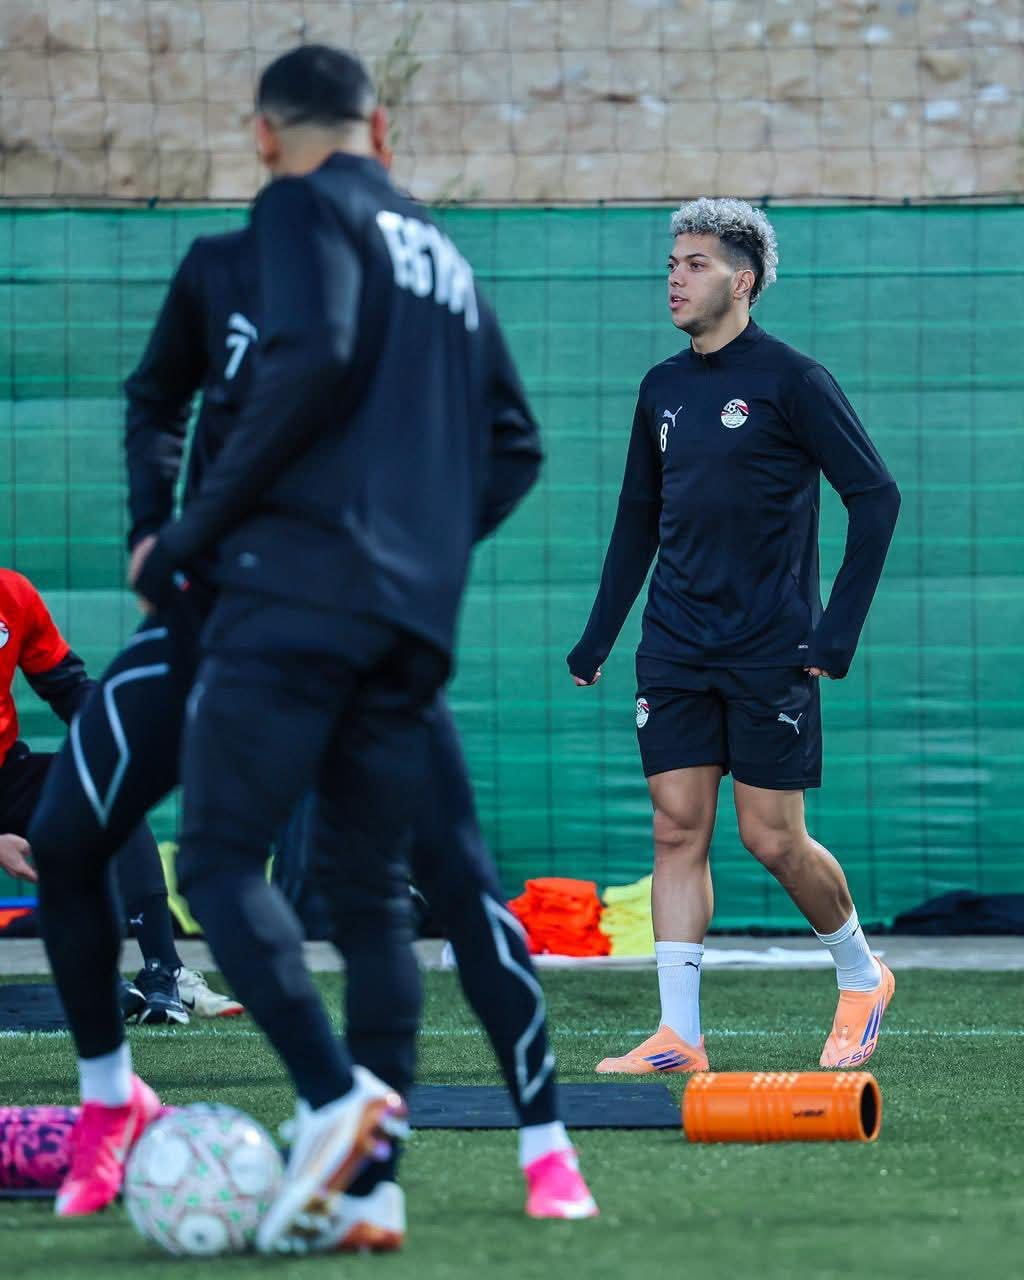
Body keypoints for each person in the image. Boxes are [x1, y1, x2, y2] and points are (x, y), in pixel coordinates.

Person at [31, 44, 595, 1244]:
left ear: (263, 138)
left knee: (349, 878)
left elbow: (350, 373)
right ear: (378, 131)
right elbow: (156, 399)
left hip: (294, 603)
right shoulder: (271, 257)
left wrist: (203, 532)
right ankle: (125, 1103)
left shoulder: (324, 225)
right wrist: (159, 530)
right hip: (256, 611)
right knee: (81, 836)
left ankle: (401, 1126)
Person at [567, 197, 901, 1076]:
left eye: (696, 264)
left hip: (771, 647)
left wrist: (836, 633)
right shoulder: (661, 387)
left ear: (742, 281)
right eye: (672, 264)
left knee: (771, 838)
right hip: (674, 643)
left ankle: (862, 975)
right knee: (676, 830)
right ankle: (679, 1036)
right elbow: (638, 519)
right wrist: (600, 636)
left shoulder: (795, 381)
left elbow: (877, 499)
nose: (675, 278)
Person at [0, 566, 230, 1025]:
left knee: (109, 786)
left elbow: (66, 685)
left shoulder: (11, 591)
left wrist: (120, 738)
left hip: (7, 772)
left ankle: (165, 973)